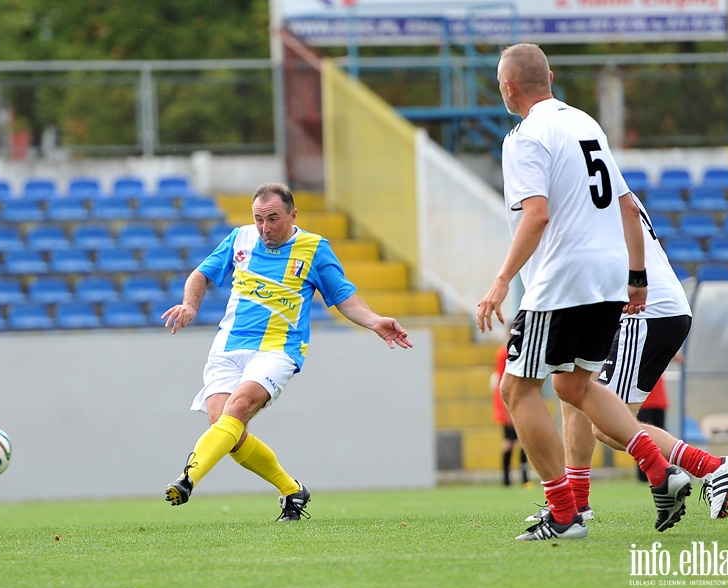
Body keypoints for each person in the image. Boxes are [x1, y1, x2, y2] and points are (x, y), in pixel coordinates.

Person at [476, 43, 692, 541]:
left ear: (508, 88)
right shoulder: (585, 123)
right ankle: (659, 466)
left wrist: (502, 279)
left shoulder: (524, 136)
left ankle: (563, 513)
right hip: (608, 276)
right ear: (550, 77)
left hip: (563, 278)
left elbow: (536, 215)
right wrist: (636, 278)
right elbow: (625, 204)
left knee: (516, 388)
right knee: (573, 386)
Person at [160, 183, 413, 521]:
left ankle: (187, 478)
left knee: (238, 408)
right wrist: (190, 305)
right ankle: (292, 489)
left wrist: (375, 320)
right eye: (259, 219)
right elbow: (201, 274)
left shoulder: (313, 248)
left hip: (278, 350)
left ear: (293, 215)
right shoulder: (239, 239)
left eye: (273, 219)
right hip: (228, 347)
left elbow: (343, 297)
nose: (265, 228)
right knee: (226, 429)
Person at [524, 198, 728, 524]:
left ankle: (710, 467)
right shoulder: (590, 171)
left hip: (643, 312)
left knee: (606, 424)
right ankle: (577, 500)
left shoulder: (579, 177)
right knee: (573, 388)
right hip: (645, 307)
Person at [492, 341, 530, 487]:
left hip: (518, 401)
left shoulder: (519, 350)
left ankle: (524, 478)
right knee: (510, 442)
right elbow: (501, 380)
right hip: (507, 403)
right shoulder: (503, 353)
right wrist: (504, 407)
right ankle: (507, 479)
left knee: (522, 442)